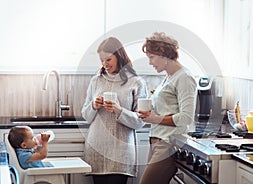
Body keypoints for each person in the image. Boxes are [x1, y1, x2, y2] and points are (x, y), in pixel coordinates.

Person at [81, 37, 148, 184]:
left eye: (108, 59)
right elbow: (85, 116)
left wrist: (119, 110)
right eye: (102, 60)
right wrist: (93, 105)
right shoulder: (96, 80)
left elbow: (140, 121)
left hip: (120, 153)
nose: (105, 64)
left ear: (119, 56)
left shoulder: (136, 82)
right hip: (97, 149)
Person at [138, 32, 197, 184]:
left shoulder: (184, 77)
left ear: (163, 55)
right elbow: (167, 108)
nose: (150, 63)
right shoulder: (169, 77)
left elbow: (186, 117)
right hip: (158, 140)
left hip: (169, 143)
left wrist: (155, 118)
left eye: (151, 57)